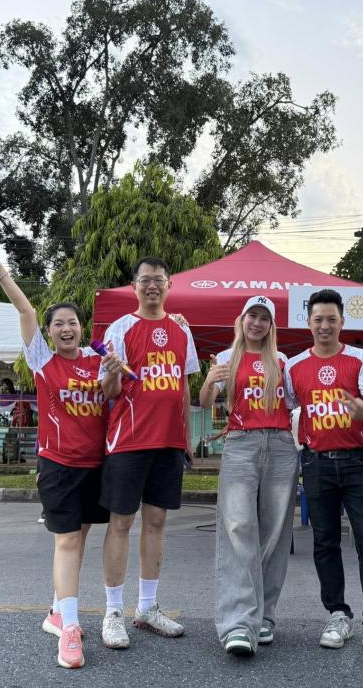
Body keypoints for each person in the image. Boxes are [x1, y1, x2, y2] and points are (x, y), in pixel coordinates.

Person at [0, 243, 109, 670]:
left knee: (80, 538)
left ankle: (56, 610)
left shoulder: (98, 362)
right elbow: (25, 310)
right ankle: (69, 627)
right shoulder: (43, 361)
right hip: (59, 465)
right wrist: (0, 273)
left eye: (72, 322)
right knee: (67, 540)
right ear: (49, 332)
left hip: (96, 466)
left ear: (82, 327)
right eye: (58, 324)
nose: (66, 329)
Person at [285, 289, 363, 660]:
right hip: (316, 463)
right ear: (309, 322)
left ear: (342, 321)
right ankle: (337, 615)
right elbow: (284, 405)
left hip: (359, 462)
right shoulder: (294, 366)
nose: (325, 326)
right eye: (318, 319)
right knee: (324, 542)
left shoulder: (360, 358)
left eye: (332, 319)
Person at [98, 256, 200, 650]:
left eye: (159, 279)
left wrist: (186, 436)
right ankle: (113, 611)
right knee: (121, 522)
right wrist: (111, 371)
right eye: (145, 280)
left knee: (156, 522)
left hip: (168, 442)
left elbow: (183, 386)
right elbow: (109, 391)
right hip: (129, 440)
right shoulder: (121, 328)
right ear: (135, 286)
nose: (152, 285)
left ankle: (147, 607)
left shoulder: (181, 329)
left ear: (169, 285)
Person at [198, 295, 298, 656]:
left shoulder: (283, 361)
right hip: (241, 444)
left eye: (264, 318)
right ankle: (238, 624)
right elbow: (206, 402)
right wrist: (210, 381)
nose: (257, 323)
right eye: (251, 316)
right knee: (239, 528)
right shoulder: (227, 358)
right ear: (241, 320)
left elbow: (297, 402)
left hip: (281, 444)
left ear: (271, 326)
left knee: (274, 532)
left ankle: (265, 616)